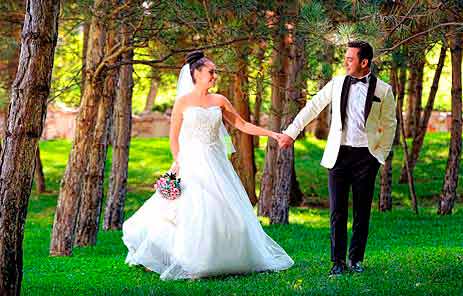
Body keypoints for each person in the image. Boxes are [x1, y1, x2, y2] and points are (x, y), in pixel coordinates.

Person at [122, 50, 294, 280]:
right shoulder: (182, 102)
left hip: (216, 162)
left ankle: (227, 257)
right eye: (211, 72)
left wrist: (273, 134)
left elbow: (242, 125)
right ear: (197, 73)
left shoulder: (219, 100)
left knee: (226, 210)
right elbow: (173, 138)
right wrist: (178, 162)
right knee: (192, 211)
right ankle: (191, 260)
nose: (215, 76)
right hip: (191, 162)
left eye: (215, 72)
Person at [278, 41, 397, 276]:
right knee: (337, 212)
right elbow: (313, 107)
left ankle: (356, 260)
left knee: (362, 212)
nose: (346, 62)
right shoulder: (337, 83)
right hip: (338, 156)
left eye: (350, 58)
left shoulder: (383, 90)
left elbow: (390, 124)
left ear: (364, 62)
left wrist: (379, 156)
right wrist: (292, 132)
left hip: (366, 156)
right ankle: (338, 263)